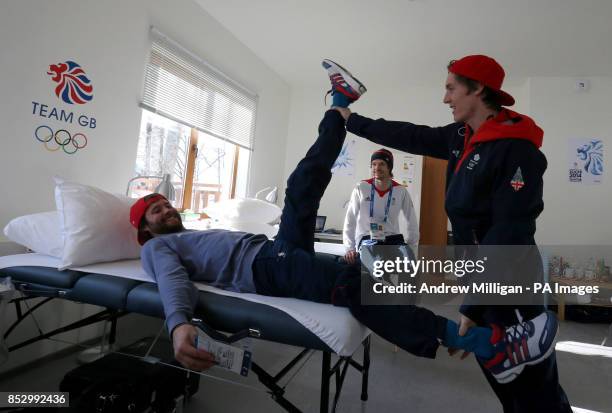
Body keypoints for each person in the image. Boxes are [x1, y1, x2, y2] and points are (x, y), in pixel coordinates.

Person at [129, 58, 558, 390]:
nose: (167, 211)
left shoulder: (196, 230)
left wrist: (350, 118)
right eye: (156, 212)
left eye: (167, 204)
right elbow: (171, 281)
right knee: (352, 285)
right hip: (266, 269)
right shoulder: (157, 248)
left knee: (302, 182)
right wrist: (179, 322)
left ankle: (339, 104)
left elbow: (429, 195)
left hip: (274, 248)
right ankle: (472, 339)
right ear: (145, 230)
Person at [331, 55, 571, 412]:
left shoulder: (516, 148)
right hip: (480, 278)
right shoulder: (461, 136)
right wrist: (351, 121)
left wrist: (472, 306)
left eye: (450, 88)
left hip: (510, 284)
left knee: (534, 391)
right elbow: (410, 135)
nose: (445, 98)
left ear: (477, 89)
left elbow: (509, 231)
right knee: (504, 380)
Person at [343, 148, 419, 265]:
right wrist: (350, 248)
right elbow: (350, 219)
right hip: (367, 238)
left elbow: (411, 220)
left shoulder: (400, 190)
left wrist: (411, 247)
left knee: (409, 263)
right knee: (376, 262)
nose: (377, 168)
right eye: (374, 164)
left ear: (389, 167)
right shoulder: (361, 187)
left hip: (392, 239)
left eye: (382, 164)